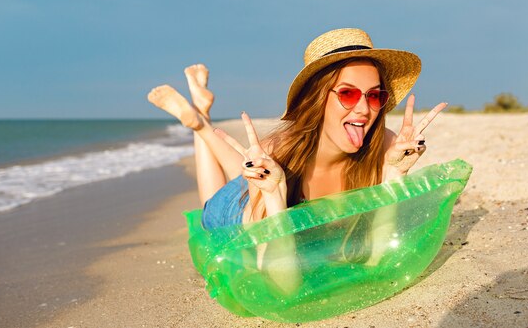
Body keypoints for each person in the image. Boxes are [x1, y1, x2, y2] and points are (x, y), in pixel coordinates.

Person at [147, 28, 447, 232]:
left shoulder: (384, 144)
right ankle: (199, 122)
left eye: (375, 95)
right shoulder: (279, 148)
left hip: (263, 176)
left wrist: (397, 174)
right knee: (211, 206)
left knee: (250, 169)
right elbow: (260, 248)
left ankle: (200, 115)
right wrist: (270, 197)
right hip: (247, 215)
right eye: (348, 94)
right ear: (318, 98)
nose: (364, 108)